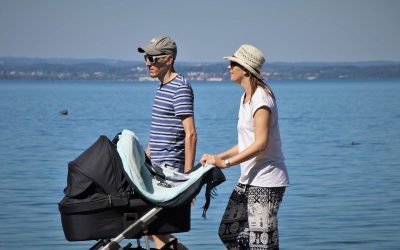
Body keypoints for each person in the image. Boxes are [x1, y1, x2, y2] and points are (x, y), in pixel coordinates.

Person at [200, 44, 289, 250]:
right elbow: (247, 143)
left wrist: (226, 163)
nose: (229, 67)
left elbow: (260, 144)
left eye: (233, 64)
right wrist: (217, 157)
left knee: (263, 245)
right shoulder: (245, 98)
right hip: (249, 178)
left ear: (246, 69)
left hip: (266, 180)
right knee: (228, 232)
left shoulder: (261, 99)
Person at [138, 36, 196, 249]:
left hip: (170, 172)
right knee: (153, 229)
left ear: (168, 59)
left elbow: (190, 134)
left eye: (152, 58)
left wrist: (188, 181)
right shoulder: (163, 88)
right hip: (156, 170)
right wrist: (143, 160)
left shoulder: (180, 87)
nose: (147, 63)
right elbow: (158, 133)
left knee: (156, 228)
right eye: (146, 57)